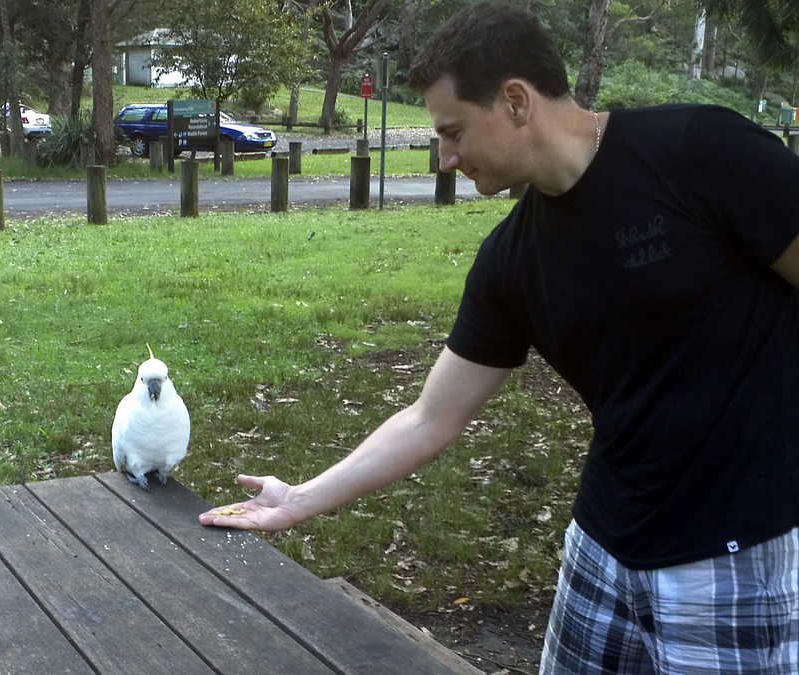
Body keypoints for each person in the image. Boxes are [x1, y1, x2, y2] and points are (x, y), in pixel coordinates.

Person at [198, 3, 799, 673]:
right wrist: (300, 500)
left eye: (454, 131)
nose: (446, 157)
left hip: (730, 557)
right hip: (602, 547)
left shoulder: (699, 152)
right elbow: (430, 416)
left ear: (516, 101)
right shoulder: (512, 259)